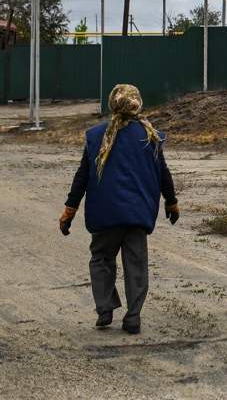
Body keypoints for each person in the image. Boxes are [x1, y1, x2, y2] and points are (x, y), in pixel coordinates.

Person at [60, 84, 179, 335]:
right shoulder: (150, 137)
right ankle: (133, 317)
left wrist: (70, 209)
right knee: (136, 265)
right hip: (137, 215)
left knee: (101, 258)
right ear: (138, 104)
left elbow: (82, 175)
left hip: (105, 214)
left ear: (112, 104)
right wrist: (171, 201)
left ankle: (105, 309)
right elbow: (163, 174)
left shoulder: (96, 136)